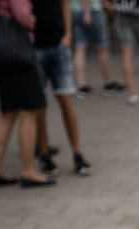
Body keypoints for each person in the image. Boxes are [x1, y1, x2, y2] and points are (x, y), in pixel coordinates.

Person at [0, 0, 54, 187]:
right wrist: (33, 20)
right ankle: (28, 170)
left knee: (8, 112)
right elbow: (22, 15)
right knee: (29, 111)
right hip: (17, 54)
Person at [31, 0, 92, 175]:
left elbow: (64, 3)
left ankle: (78, 153)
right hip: (35, 47)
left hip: (58, 44)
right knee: (39, 105)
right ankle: (44, 154)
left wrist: (67, 34)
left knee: (66, 99)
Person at [70, 0, 124, 96]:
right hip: (92, 11)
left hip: (75, 10)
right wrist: (87, 11)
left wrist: (102, 3)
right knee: (102, 47)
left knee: (80, 47)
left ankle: (81, 85)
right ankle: (108, 83)